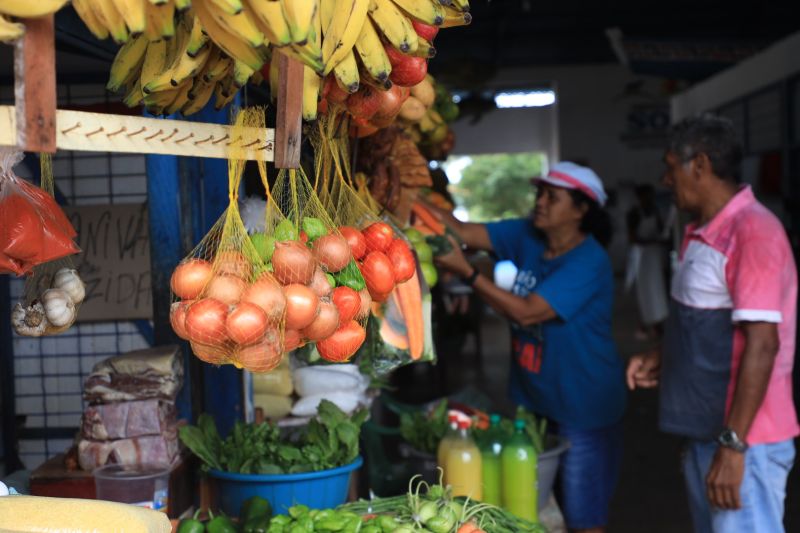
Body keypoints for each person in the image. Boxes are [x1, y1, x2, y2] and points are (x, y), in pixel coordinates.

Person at [432, 161, 626, 533]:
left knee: (583, 517)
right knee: (538, 504)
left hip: (582, 407)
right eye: (540, 193)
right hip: (536, 400)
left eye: (553, 197)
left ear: (581, 209)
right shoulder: (528, 234)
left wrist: (468, 272)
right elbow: (459, 230)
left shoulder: (589, 261)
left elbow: (527, 313)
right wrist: (407, 194)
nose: (540, 202)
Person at [627, 115, 798, 533]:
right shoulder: (704, 232)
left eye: (671, 167)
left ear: (700, 165)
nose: (666, 179)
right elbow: (708, 324)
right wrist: (664, 354)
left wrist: (734, 446)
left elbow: (763, 345)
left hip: (746, 441)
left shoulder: (753, 231)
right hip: (709, 432)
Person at [625, 184, 670, 340]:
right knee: (643, 291)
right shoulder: (634, 214)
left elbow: (661, 230)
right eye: (646, 196)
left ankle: (658, 324)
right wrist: (651, 241)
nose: (648, 199)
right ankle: (643, 324)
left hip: (654, 255)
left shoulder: (655, 211)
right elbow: (632, 238)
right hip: (641, 255)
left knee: (657, 290)